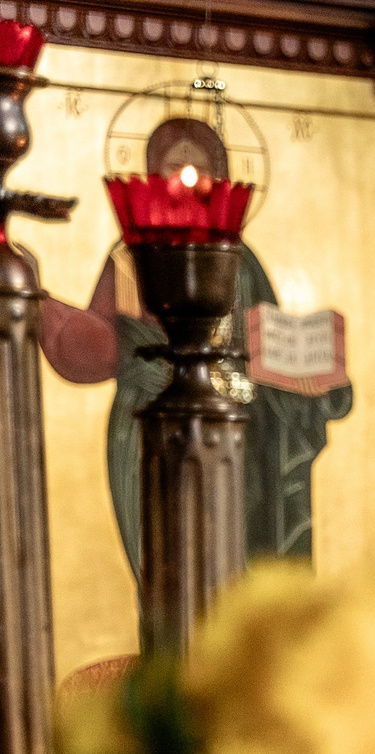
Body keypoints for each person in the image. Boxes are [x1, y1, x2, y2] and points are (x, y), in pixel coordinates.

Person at [41, 118, 355, 573]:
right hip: (147, 430)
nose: (186, 178)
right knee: (166, 565)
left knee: (235, 561)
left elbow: (269, 348)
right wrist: (47, 309)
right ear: (151, 175)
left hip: (237, 432)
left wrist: (314, 377)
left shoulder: (240, 262)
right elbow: (99, 348)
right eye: (173, 166)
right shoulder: (131, 257)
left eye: (200, 168)